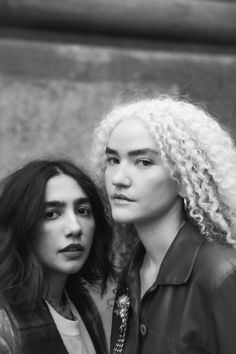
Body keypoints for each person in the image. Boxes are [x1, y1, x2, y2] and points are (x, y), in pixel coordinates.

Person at [91, 96, 236, 354]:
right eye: (113, 160)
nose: (119, 179)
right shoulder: (133, 272)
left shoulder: (221, 275)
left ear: (183, 178)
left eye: (143, 162)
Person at [0, 158, 114, 354]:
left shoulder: (82, 304)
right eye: (52, 214)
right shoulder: (5, 322)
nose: (75, 228)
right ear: (21, 225)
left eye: (82, 211)